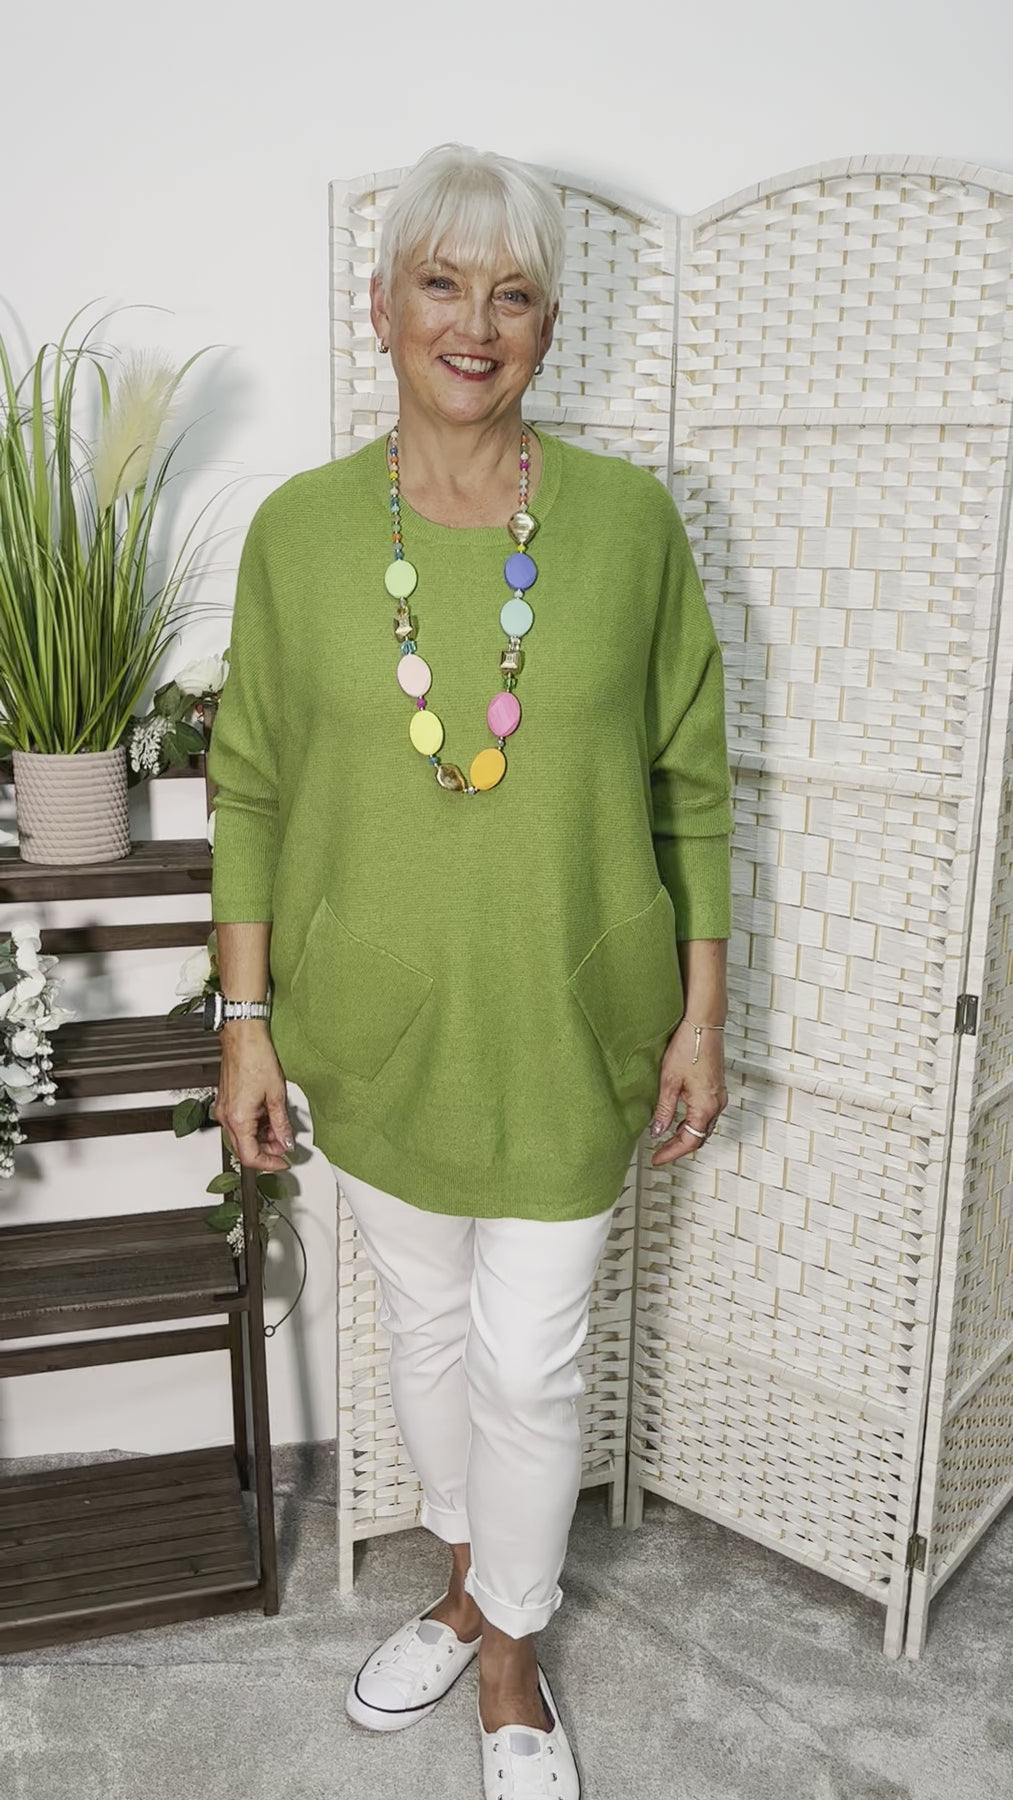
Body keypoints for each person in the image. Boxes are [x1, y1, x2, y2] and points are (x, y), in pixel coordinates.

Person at [207, 142, 732, 1800]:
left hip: (572, 1024)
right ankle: (462, 1583)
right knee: (428, 1340)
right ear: (381, 308)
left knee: (528, 1362)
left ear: (548, 328)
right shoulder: (300, 534)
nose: (474, 323)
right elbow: (249, 788)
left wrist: (701, 1014)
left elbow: (689, 784)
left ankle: (509, 1652)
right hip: (376, 1026)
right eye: (440, 283)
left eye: (511, 294)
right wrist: (244, 1025)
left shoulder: (628, 526)